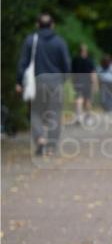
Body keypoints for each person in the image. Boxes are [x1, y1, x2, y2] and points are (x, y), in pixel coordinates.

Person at [16, 13, 71, 156]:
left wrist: (19, 82)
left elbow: (23, 63)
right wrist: (63, 79)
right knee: (54, 114)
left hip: (36, 83)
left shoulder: (30, 41)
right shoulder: (60, 42)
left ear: (37, 25)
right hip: (55, 83)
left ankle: (40, 138)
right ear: (52, 25)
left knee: (35, 112)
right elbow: (66, 64)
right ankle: (52, 147)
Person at [71, 44, 97, 124]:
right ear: (86, 51)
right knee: (87, 100)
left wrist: (72, 81)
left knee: (78, 99)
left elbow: (72, 72)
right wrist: (95, 83)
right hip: (87, 82)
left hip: (77, 81)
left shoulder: (75, 59)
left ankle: (78, 117)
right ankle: (88, 118)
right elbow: (93, 73)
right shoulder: (89, 60)